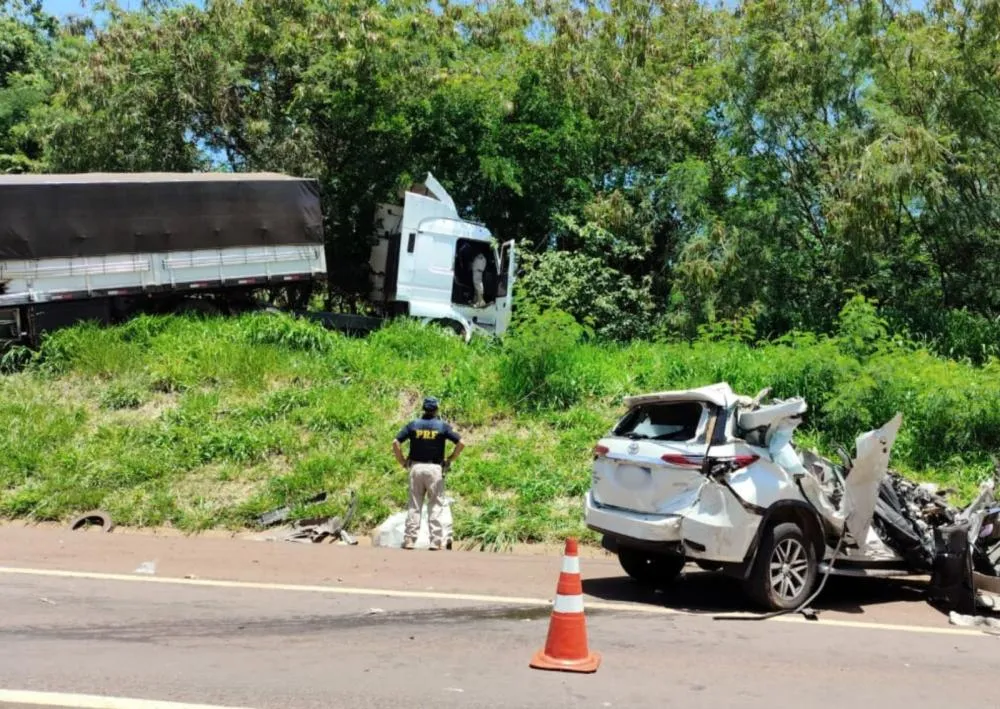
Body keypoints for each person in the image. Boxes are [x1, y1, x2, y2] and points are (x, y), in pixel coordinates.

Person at [392, 396, 464, 550]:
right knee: (435, 505)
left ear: (423, 409)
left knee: (414, 505)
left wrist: (402, 461)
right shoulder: (442, 426)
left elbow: (395, 442)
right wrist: (451, 458)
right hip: (434, 469)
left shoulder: (413, 425)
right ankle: (435, 541)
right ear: (436, 409)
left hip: (416, 468)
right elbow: (461, 442)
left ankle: (410, 540)